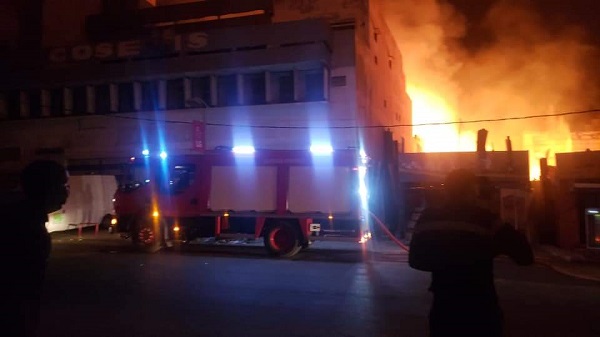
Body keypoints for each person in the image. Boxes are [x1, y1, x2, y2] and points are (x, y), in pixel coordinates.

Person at [409, 169, 533, 337]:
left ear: (447, 190)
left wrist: (446, 261)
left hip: (444, 310)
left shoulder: (429, 218)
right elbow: (525, 256)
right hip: (480, 310)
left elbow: (415, 260)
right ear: (473, 191)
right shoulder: (486, 220)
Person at [1, 160, 69, 337]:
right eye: (62, 185)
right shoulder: (22, 225)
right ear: (45, 187)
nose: (66, 192)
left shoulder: (24, 217)